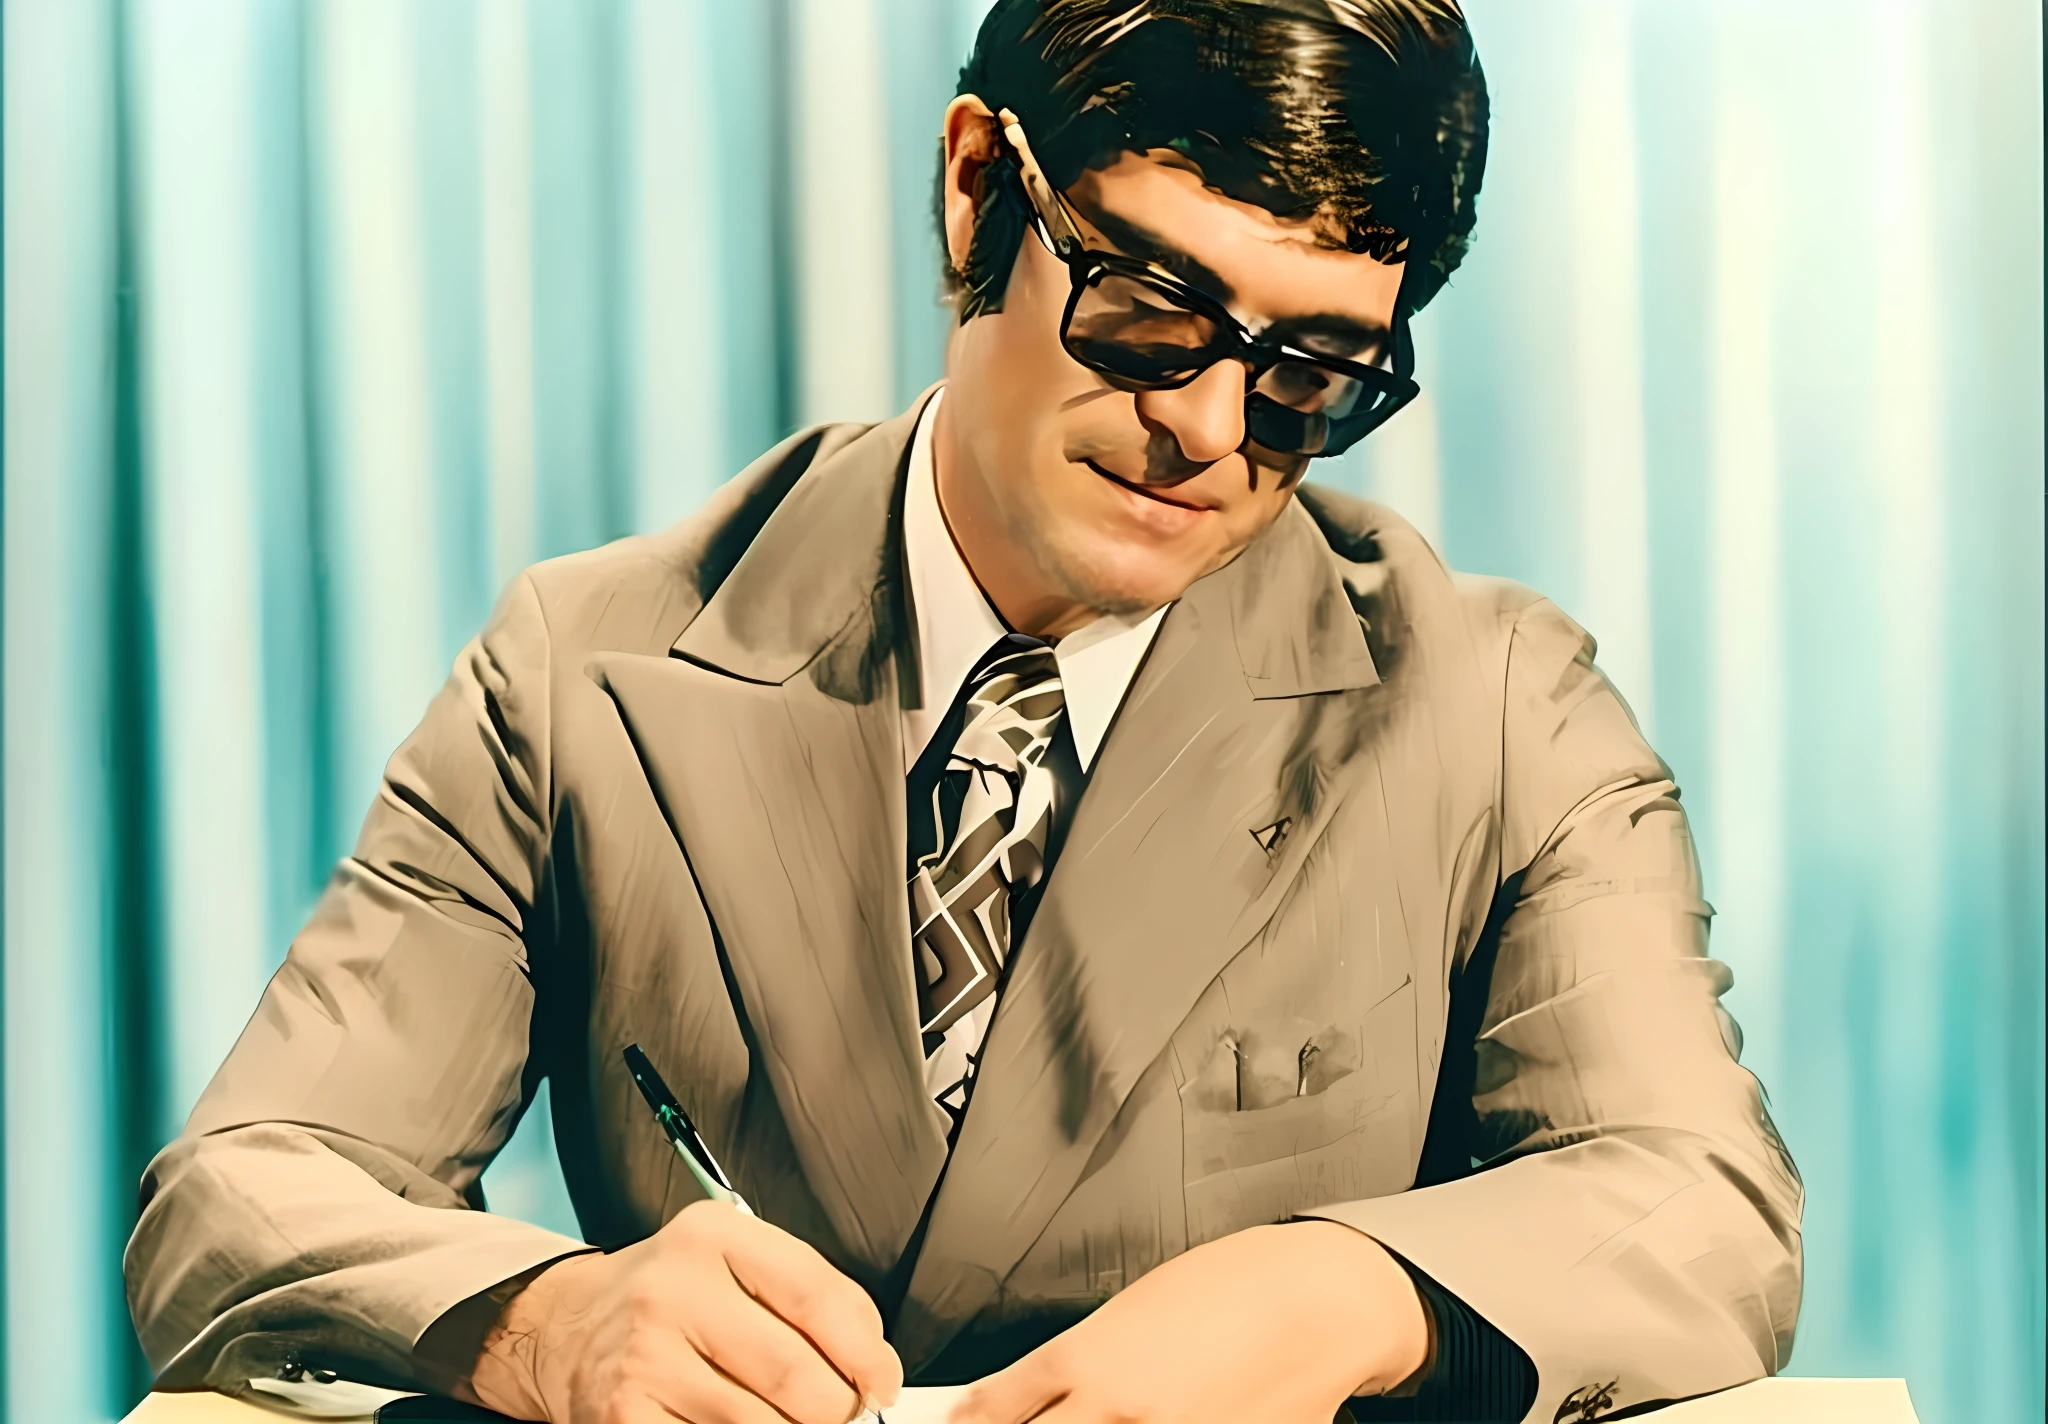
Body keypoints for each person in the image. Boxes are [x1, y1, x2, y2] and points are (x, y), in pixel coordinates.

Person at [125, 4, 1803, 1423]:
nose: (1213, 429)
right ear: (976, 189)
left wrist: (1350, 1291)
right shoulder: (584, 674)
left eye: (1312, 374)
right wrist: (544, 1321)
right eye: (1152, 310)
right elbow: (242, 1194)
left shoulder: (1502, 707)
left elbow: (1704, 1207)